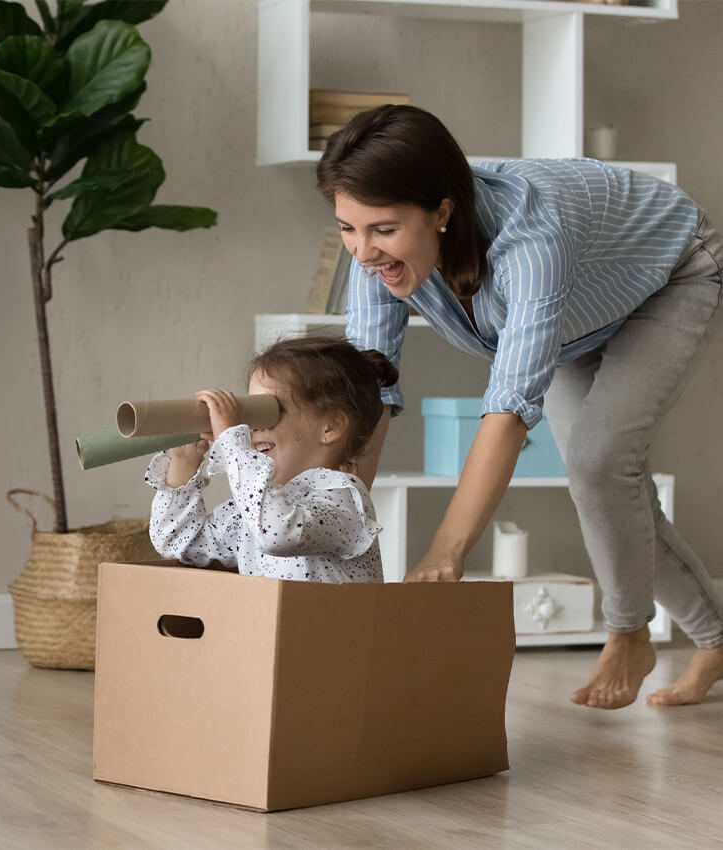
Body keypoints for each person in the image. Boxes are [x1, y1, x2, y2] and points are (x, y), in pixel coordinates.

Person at [316, 104, 723, 709]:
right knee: (604, 483)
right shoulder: (377, 259)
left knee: (598, 460)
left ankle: (629, 632)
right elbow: (369, 390)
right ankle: (716, 639)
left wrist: (446, 553)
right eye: (348, 228)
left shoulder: (531, 241)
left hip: (669, 274)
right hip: (577, 317)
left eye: (381, 229)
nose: (362, 251)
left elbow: (507, 412)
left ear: (443, 213)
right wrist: (340, 523)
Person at [145, 336, 398, 583]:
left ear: (330, 427)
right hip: (273, 625)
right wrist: (183, 465)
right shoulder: (260, 506)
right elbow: (179, 543)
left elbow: (277, 533)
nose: (252, 426)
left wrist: (232, 443)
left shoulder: (344, 499)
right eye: (251, 412)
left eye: (270, 411)